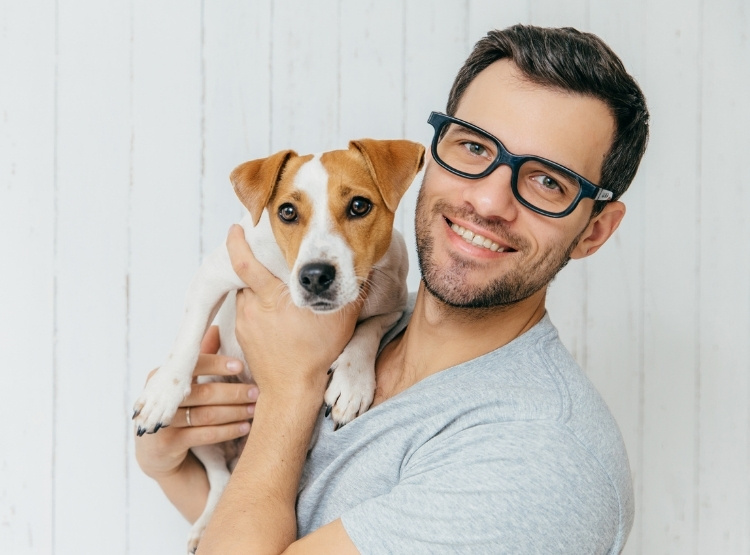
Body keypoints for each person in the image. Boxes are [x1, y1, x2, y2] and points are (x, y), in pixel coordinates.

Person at [135, 24, 649, 554]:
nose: (491, 202)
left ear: (594, 231)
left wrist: (290, 390)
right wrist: (170, 468)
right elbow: (258, 529)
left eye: (548, 181)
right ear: (433, 152)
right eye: (474, 147)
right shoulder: (360, 323)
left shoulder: (539, 462)